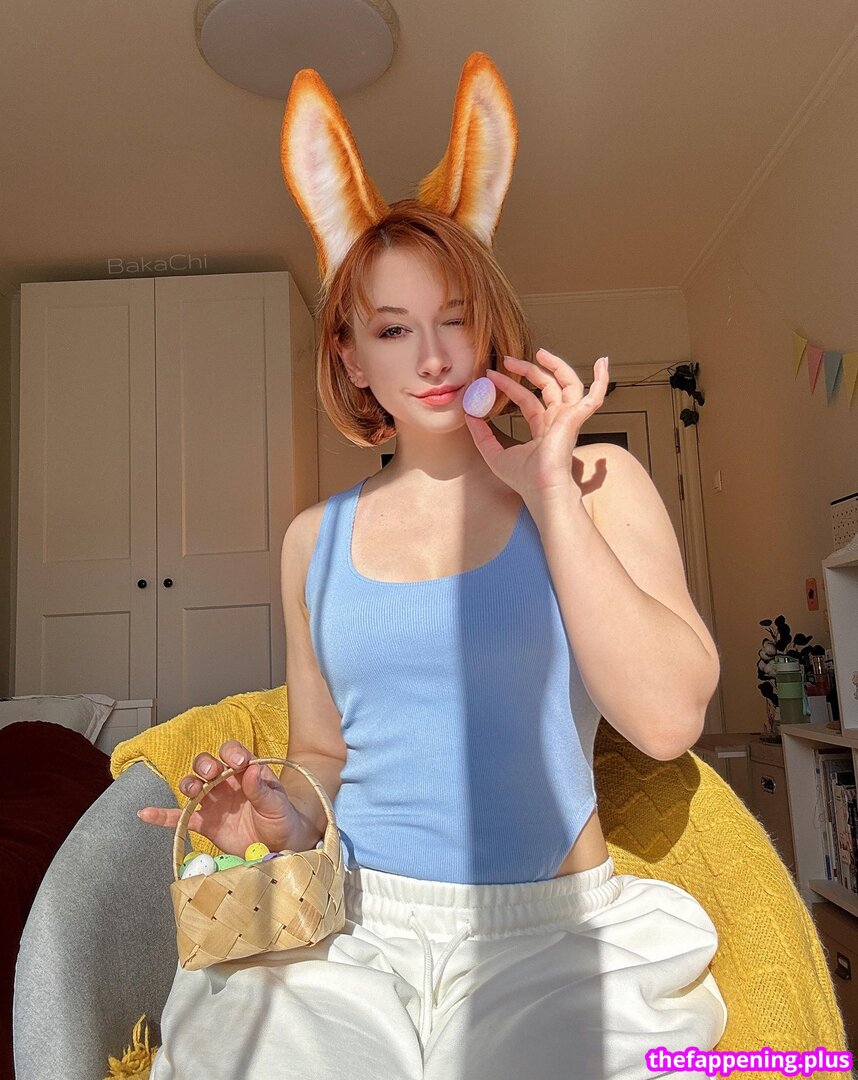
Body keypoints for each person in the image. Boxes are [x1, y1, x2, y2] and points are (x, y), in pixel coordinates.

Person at [137, 53, 728, 1079]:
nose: (434, 356)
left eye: (456, 317)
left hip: (551, 934)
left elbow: (668, 722)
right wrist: (278, 811)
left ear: (491, 321)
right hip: (349, 926)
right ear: (351, 357)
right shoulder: (312, 543)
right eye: (394, 328)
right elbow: (321, 754)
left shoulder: (599, 484)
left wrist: (549, 495)